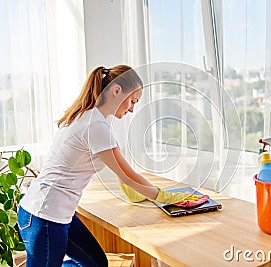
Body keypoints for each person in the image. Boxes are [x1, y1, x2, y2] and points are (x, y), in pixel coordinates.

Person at [17, 65, 200, 267]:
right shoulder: (94, 125)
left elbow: (126, 174)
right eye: (132, 101)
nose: (132, 109)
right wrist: (165, 198)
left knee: (96, 264)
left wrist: (161, 195)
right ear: (116, 90)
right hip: (44, 215)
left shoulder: (94, 120)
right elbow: (126, 177)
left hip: (56, 213)